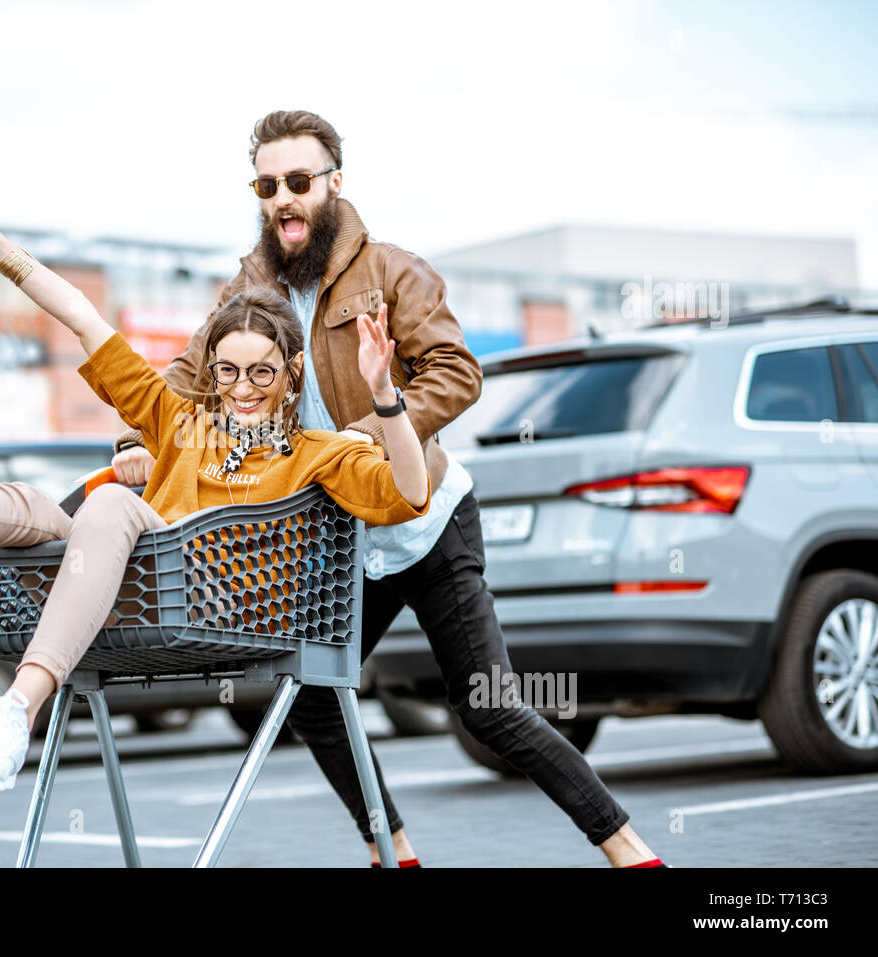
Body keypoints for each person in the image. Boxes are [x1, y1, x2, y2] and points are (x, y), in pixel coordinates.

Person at [108, 110, 668, 868]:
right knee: (310, 694)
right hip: (342, 538)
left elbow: (457, 373)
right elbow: (185, 377)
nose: (283, 199)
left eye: (299, 182)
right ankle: (392, 848)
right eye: (267, 184)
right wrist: (135, 440)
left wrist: (373, 429)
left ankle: (628, 847)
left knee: (490, 707)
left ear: (333, 185)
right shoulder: (249, 285)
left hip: (427, 520)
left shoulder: (393, 271)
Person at [0, 183, 432, 799]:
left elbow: (410, 494)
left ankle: (17, 707)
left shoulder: (319, 451)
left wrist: (385, 396)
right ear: (212, 372)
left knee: (113, 502)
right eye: (227, 371)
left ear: (292, 372)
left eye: (262, 372)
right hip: (131, 596)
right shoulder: (180, 422)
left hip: (214, 611)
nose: (244, 388)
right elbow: (85, 320)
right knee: (40, 511)